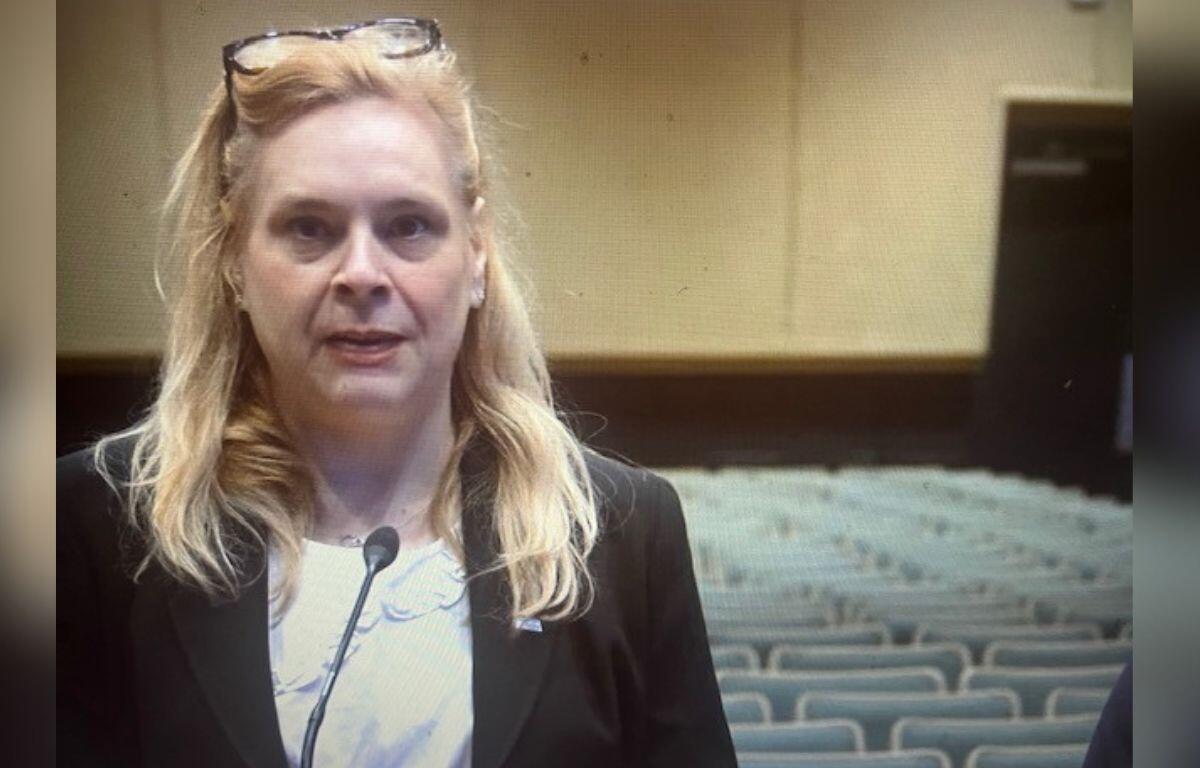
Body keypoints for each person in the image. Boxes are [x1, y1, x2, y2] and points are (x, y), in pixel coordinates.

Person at [57, 17, 735, 768]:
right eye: (309, 228)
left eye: (408, 226)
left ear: (475, 256)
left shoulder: (620, 533)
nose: (362, 274)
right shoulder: (93, 528)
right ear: (234, 265)